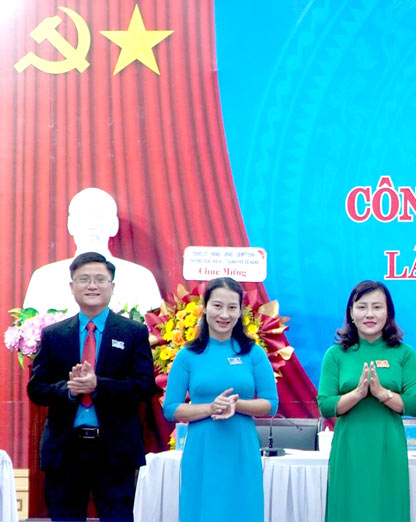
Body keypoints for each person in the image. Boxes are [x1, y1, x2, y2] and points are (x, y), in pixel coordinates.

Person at [26, 252, 156, 521]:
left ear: (112, 286)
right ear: (71, 287)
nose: (92, 285)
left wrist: (98, 386)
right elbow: (36, 388)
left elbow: (144, 387)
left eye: (100, 279)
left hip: (115, 450)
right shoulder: (54, 335)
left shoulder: (133, 332)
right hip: (66, 450)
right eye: (83, 279)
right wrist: (69, 390)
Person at [162, 277, 279, 522]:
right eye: (217, 306)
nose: (224, 314)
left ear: (240, 311)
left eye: (232, 307)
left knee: (242, 511)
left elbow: (271, 403)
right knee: (203, 511)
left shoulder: (253, 353)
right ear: (204, 307)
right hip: (202, 450)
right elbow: (171, 409)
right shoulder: (188, 356)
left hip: (241, 448)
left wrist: (236, 406)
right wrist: (210, 408)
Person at [317, 280, 416, 522]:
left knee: (387, 510)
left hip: (388, 446)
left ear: (388, 313)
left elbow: (415, 404)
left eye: (377, 307)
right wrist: (357, 394)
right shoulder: (336, 355)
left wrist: (382, 393)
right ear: (351, 313)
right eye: (362, 307)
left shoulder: (403, 353)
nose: (369, 314)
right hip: (350, 448)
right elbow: (325, 405)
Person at [23, 187, 162, 314]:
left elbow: (154, 332)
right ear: (70, 224)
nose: (91, 225)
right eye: (83, 217)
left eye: (99, 217)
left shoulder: (140, 278)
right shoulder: (44, 279)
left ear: (114, 225)